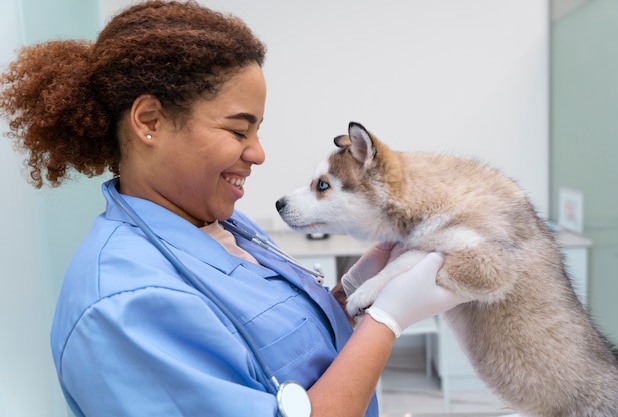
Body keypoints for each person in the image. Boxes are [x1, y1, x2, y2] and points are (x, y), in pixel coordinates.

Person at [0, 1, 467, 416]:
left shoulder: (217, 222)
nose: (258, 153)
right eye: (239, 131)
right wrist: (386, 321)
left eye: (258, 130)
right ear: (150, 122)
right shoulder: (121, 307)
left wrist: (353, 297)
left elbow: (280, 348)